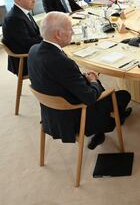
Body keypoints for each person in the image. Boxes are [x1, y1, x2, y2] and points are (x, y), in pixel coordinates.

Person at [28, 12, 132, 149]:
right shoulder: (61, 62)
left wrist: (82, 78)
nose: (72, 32)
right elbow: (89, 97)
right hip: (75, 118)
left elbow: (60, 78)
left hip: (50, 115)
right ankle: (110, 122)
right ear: (58, 34)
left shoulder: (34, 50)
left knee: (99, 87)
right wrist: (93, 81)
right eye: (70, 29)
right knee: (123, 95)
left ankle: (110, 121)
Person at [2, 0, 42, 76]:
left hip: (31, 52)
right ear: (19, 0)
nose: (34, 1)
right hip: (25, 60)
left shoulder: (23, 12)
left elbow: (35, 33)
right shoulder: (14, 18)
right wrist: (46, 38)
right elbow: (26, 44)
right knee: (59, 57)